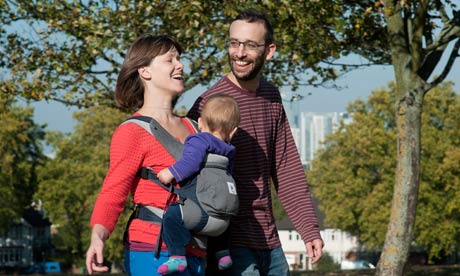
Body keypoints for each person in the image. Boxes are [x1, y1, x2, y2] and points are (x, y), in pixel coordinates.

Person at [187, 8, 324, 276]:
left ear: (269, 51)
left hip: (270, 242)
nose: (239, 53)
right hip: (227, 246)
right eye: (234, 43)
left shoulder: (272, 97)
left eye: (250, 45)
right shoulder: (208, 104)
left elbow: (286, 168)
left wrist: (308, 228)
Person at [85, 34, 205, 276]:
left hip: (198, 250)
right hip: (153, 250)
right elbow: (113, 193)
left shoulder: (195, 127)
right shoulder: (132, 131)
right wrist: (98, 237)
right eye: (170, 60)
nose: (180, 65)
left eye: (179, 59)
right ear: (145, 71)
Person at [156, 94, 240, 275]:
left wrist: (170, 173)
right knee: (222, 210)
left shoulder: (199, 140)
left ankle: (177, 257)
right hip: (223, 225)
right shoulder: (230, 150)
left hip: (201, 214)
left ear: (200, 123)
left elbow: (190, 163)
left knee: (171, 215)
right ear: (233, 132)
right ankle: (223, 253)